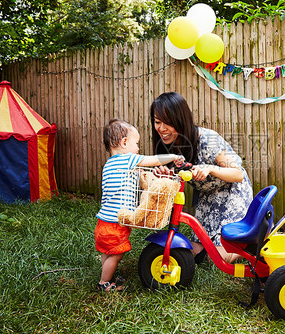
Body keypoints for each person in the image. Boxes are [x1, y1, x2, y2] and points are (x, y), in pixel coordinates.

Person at [151, 92, 253, 264]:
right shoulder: (168, 146)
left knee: (217, 258)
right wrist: (165, 175)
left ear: (180, 119)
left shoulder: (208, 139)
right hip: (207, 198)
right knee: (194, 253)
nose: (161, 129)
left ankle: (250, 244)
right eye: (157, 122)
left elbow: (238, 174)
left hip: (231, 193)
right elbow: (176, 180)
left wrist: (210, 168)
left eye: (167, 122)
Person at [95, 118, 183, 291]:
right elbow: (155, 160)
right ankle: (104, 283)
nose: (138, 148)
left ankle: (107, 275)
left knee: (108, 252)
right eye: (137, 143)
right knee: (117, 253)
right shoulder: (127, 159)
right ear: (124, 143)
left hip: (103, 221)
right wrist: (173, 157)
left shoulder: (110, 164)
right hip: (115, 222)